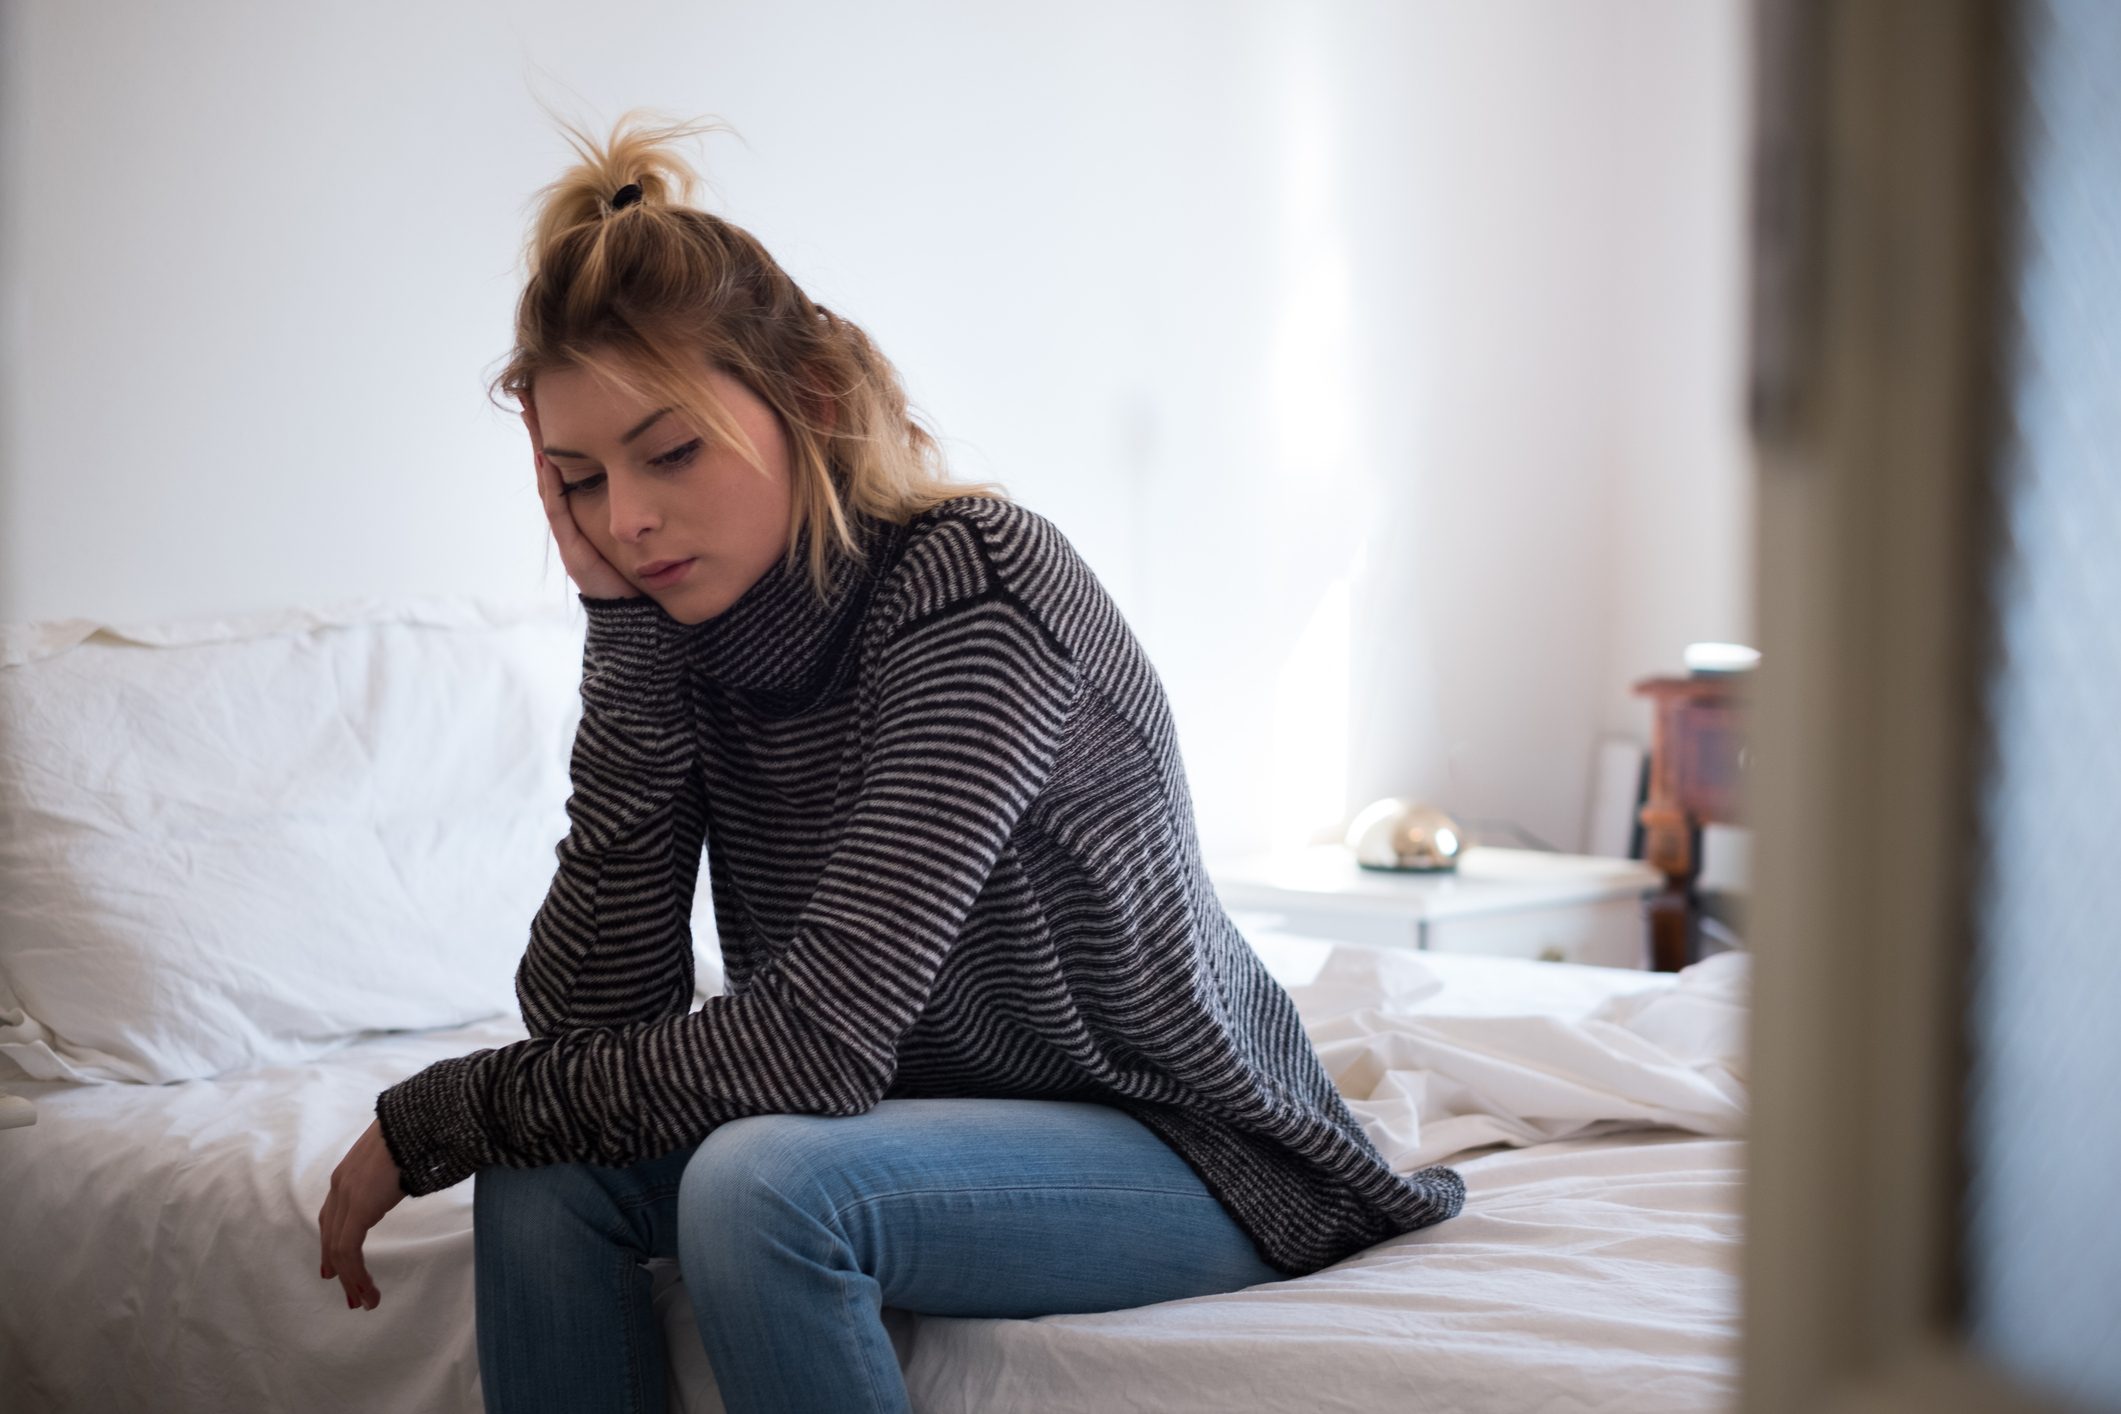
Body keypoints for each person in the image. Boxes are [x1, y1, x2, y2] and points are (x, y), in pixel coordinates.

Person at [315, 109, 1464, 1414]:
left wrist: (435, 1112)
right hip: (910, 1133)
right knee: (539, 1174)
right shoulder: (680, 634)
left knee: (761, 1186)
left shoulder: (976, 589)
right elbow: (595, 1030)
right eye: (577, 480)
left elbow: (814, 1049)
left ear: (804, 400)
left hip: (1191, 1145)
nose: (626, 519)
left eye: (670, 450)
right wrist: (625, 637)